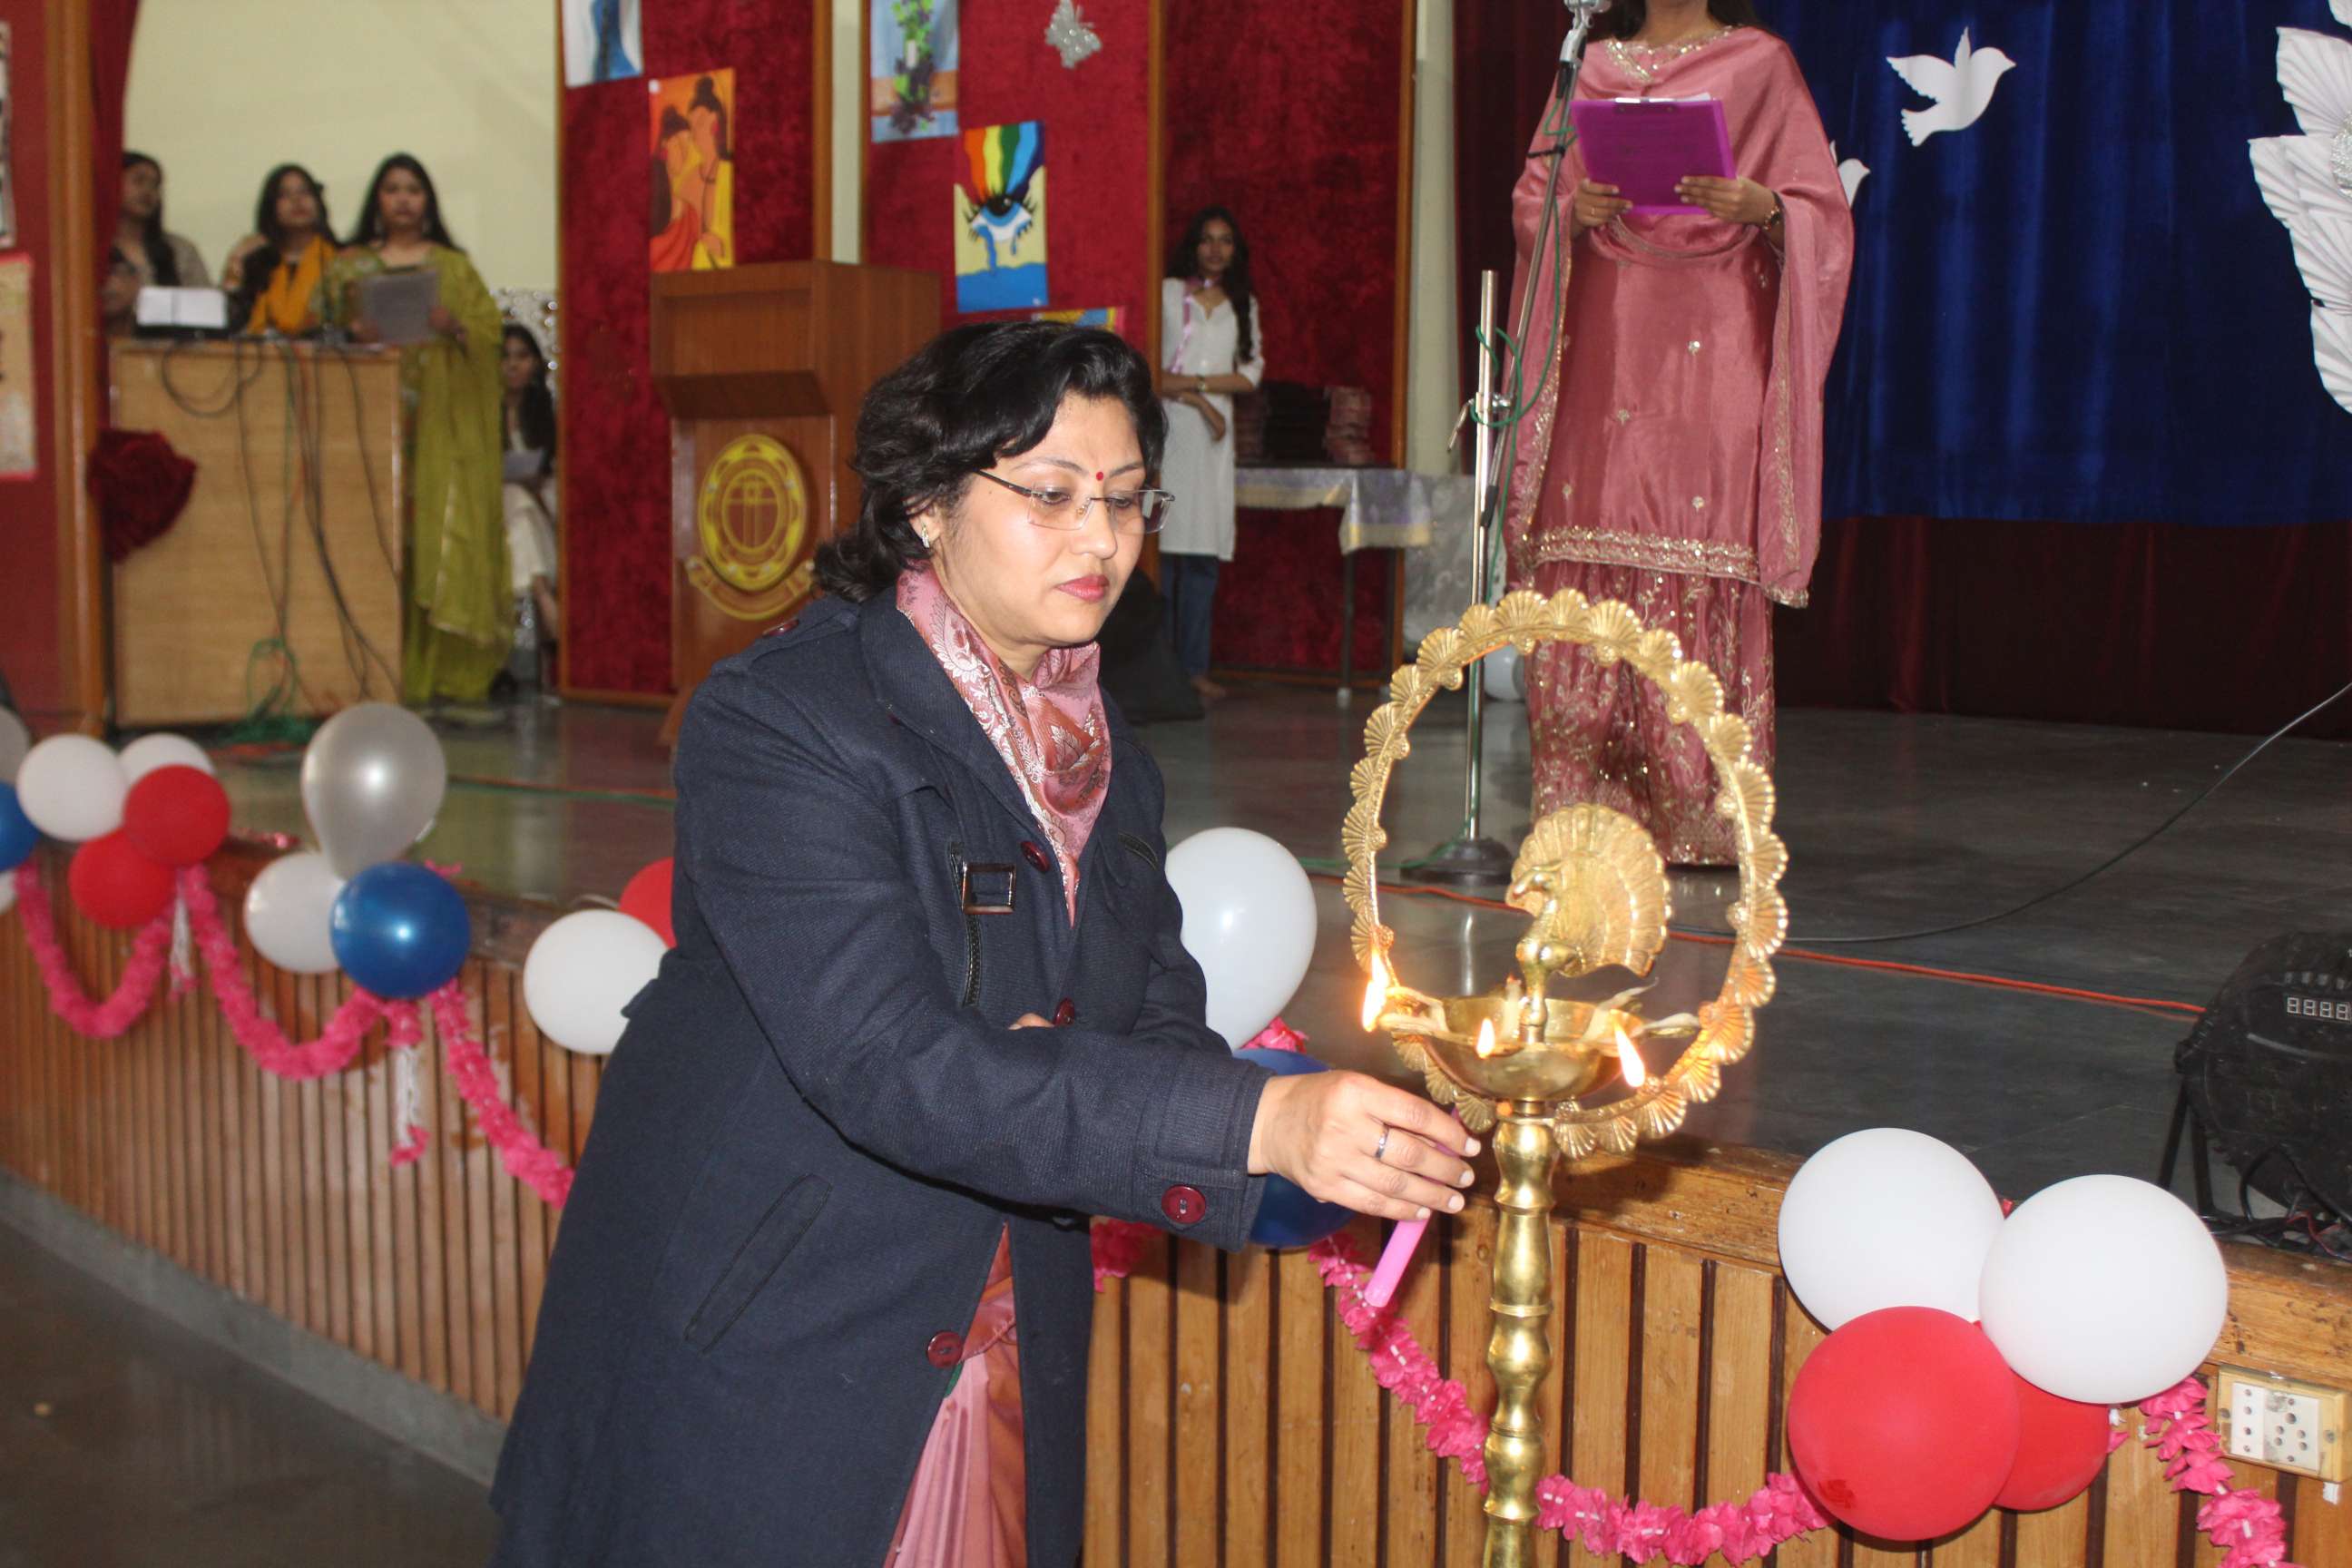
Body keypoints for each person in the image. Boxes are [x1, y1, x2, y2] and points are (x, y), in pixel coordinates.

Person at [486, 322, 1477, 1568]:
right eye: (1051, 496)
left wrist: (1275, 1120)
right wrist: (1252, 1122)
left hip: (992, 1323)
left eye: (1126, 498)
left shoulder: (1100, 750)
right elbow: (891, 1064)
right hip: (778, 1336)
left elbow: (1152, 1012)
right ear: (926, 505)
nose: (1101, 539)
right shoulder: (784, 722)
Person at [1503, 0, 1851, 865]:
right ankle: (1586, 806)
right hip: (1611, 333)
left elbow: (1824, 214)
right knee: (1590, 539)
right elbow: (1535, 197)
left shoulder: (1761, 63)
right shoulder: (1590, 63)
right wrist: (1573, 211)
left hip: (1717, 336)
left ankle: (1698, 813)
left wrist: (1765, 205)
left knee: (1700, 547)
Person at [327, 153, 510, 705]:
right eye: (392, 189)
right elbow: (319, 338)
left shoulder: (453, 268)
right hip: (370, 421)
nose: (403, 199)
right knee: (375, 535)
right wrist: (353, 335)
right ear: (377, 200)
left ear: (427, 200)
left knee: (435, 533)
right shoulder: (349, 268)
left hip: (439, 429)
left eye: (413, 189)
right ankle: (366, 665)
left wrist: (455, 328)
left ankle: (439, 670)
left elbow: (489, 337)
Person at [1154, 206, 1266, 703]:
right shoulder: (1167, 293)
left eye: (1225, 240)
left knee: (1201, 559)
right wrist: (1201, 400)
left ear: (1235, 250)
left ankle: (1194, 669)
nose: (1216, 249)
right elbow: (1153, 372)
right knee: (1163, 555)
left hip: (1212, 444)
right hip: (1169, 431)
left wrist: (1196, 386)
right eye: (1207, 239)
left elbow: (1250, 375)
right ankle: (1160, 670)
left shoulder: (1243, 304)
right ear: (1193, 245)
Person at [500, 324, 560, 684]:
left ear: (535, 363)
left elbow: (550, 463)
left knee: (535, 502)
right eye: (505, 357)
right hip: (502, 500)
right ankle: (543, 596)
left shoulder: (543, 409)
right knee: (515, 500)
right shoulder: (485, 411)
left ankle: (541, 592)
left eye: (521, 357)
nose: (512, 365)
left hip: (541, 494)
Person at [100, 152, 210, 336]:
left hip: (172, 348)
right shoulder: (93, 247)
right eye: (139, 181)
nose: (148, 192)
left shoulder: (180, 250)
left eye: (155, 185)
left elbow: (206, 309)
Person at [222, 164, 336, 336]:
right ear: (270, 207)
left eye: (304, 192)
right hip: (259, 350)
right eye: (284, 195)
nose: (297, 200)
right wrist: (236, 261)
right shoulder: (257, 263)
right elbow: (230, 325)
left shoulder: (340, 259)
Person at [688, 75, 733, 269]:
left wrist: (721, 250)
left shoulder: (728, 173)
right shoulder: (690, 179)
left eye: (700, 124)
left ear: (715, 123)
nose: (694, 135)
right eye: (691, 127)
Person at [650, 108, 701, 272]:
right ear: (664, 144)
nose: (684, 154)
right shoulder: (652, 199)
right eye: (679, 144)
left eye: (687, 145)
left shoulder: (690, 215)